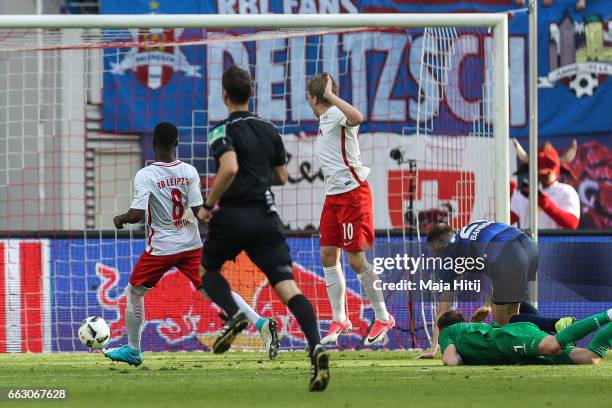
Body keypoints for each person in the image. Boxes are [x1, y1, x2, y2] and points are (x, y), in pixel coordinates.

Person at [103, 122, 279, 366]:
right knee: (215, 291)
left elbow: (136, 215)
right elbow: (200, 211)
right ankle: (260, 324)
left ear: (154, 143)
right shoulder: (189, 171)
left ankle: (133, 350)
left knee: (134, 292)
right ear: (177, 143)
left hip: (162, 249)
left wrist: (121, 218)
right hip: (191, 246)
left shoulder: (146, 175)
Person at [198, 66, 329, 392]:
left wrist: (208, 204)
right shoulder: (269, 129)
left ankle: (233, 314)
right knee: (288, 289)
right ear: (251, 94)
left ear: (225, 95)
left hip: (233, 215)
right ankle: (315, 347)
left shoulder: (220, 131)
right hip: (266, 217)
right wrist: (257, 178)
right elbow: (282, 177)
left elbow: (229, 168)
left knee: (206, 271)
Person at [306, 73, 394, 346]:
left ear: (313, 97)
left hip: (352, 194)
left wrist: (331, 97)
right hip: (333, 197)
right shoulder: (324, 121)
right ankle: (340, 318)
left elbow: (357, 117)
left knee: (356, 260)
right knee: (327, 255)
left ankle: (383, 316)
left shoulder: (335, 113)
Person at [420, 221, 573, 358]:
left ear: (438, 247)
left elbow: (443, 310)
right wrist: (488, 305)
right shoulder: (470, 231)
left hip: (507, 254)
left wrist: (434, 348)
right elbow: (494, 271)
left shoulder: (450, 254)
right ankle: (558, 343)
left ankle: (558, 324)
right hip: (528, 246)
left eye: (433, 253)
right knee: (513, 305)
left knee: (503, 322)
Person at [437, 309, 611, 366]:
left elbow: (451, 360)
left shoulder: (447, 332)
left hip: (506, 340)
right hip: (512, 342)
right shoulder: (467, 328)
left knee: (551, 346)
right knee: (589, 358)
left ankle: (608, 315)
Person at [510, 139, 580, 230]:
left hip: (555, 244)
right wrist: (508, 195)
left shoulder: (566, 191)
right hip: (529, 243)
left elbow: (572, 223)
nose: (544, 172)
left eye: (550, 165)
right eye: (539, 166)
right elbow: (508, 220)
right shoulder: (523, 193)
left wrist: (542, 201)